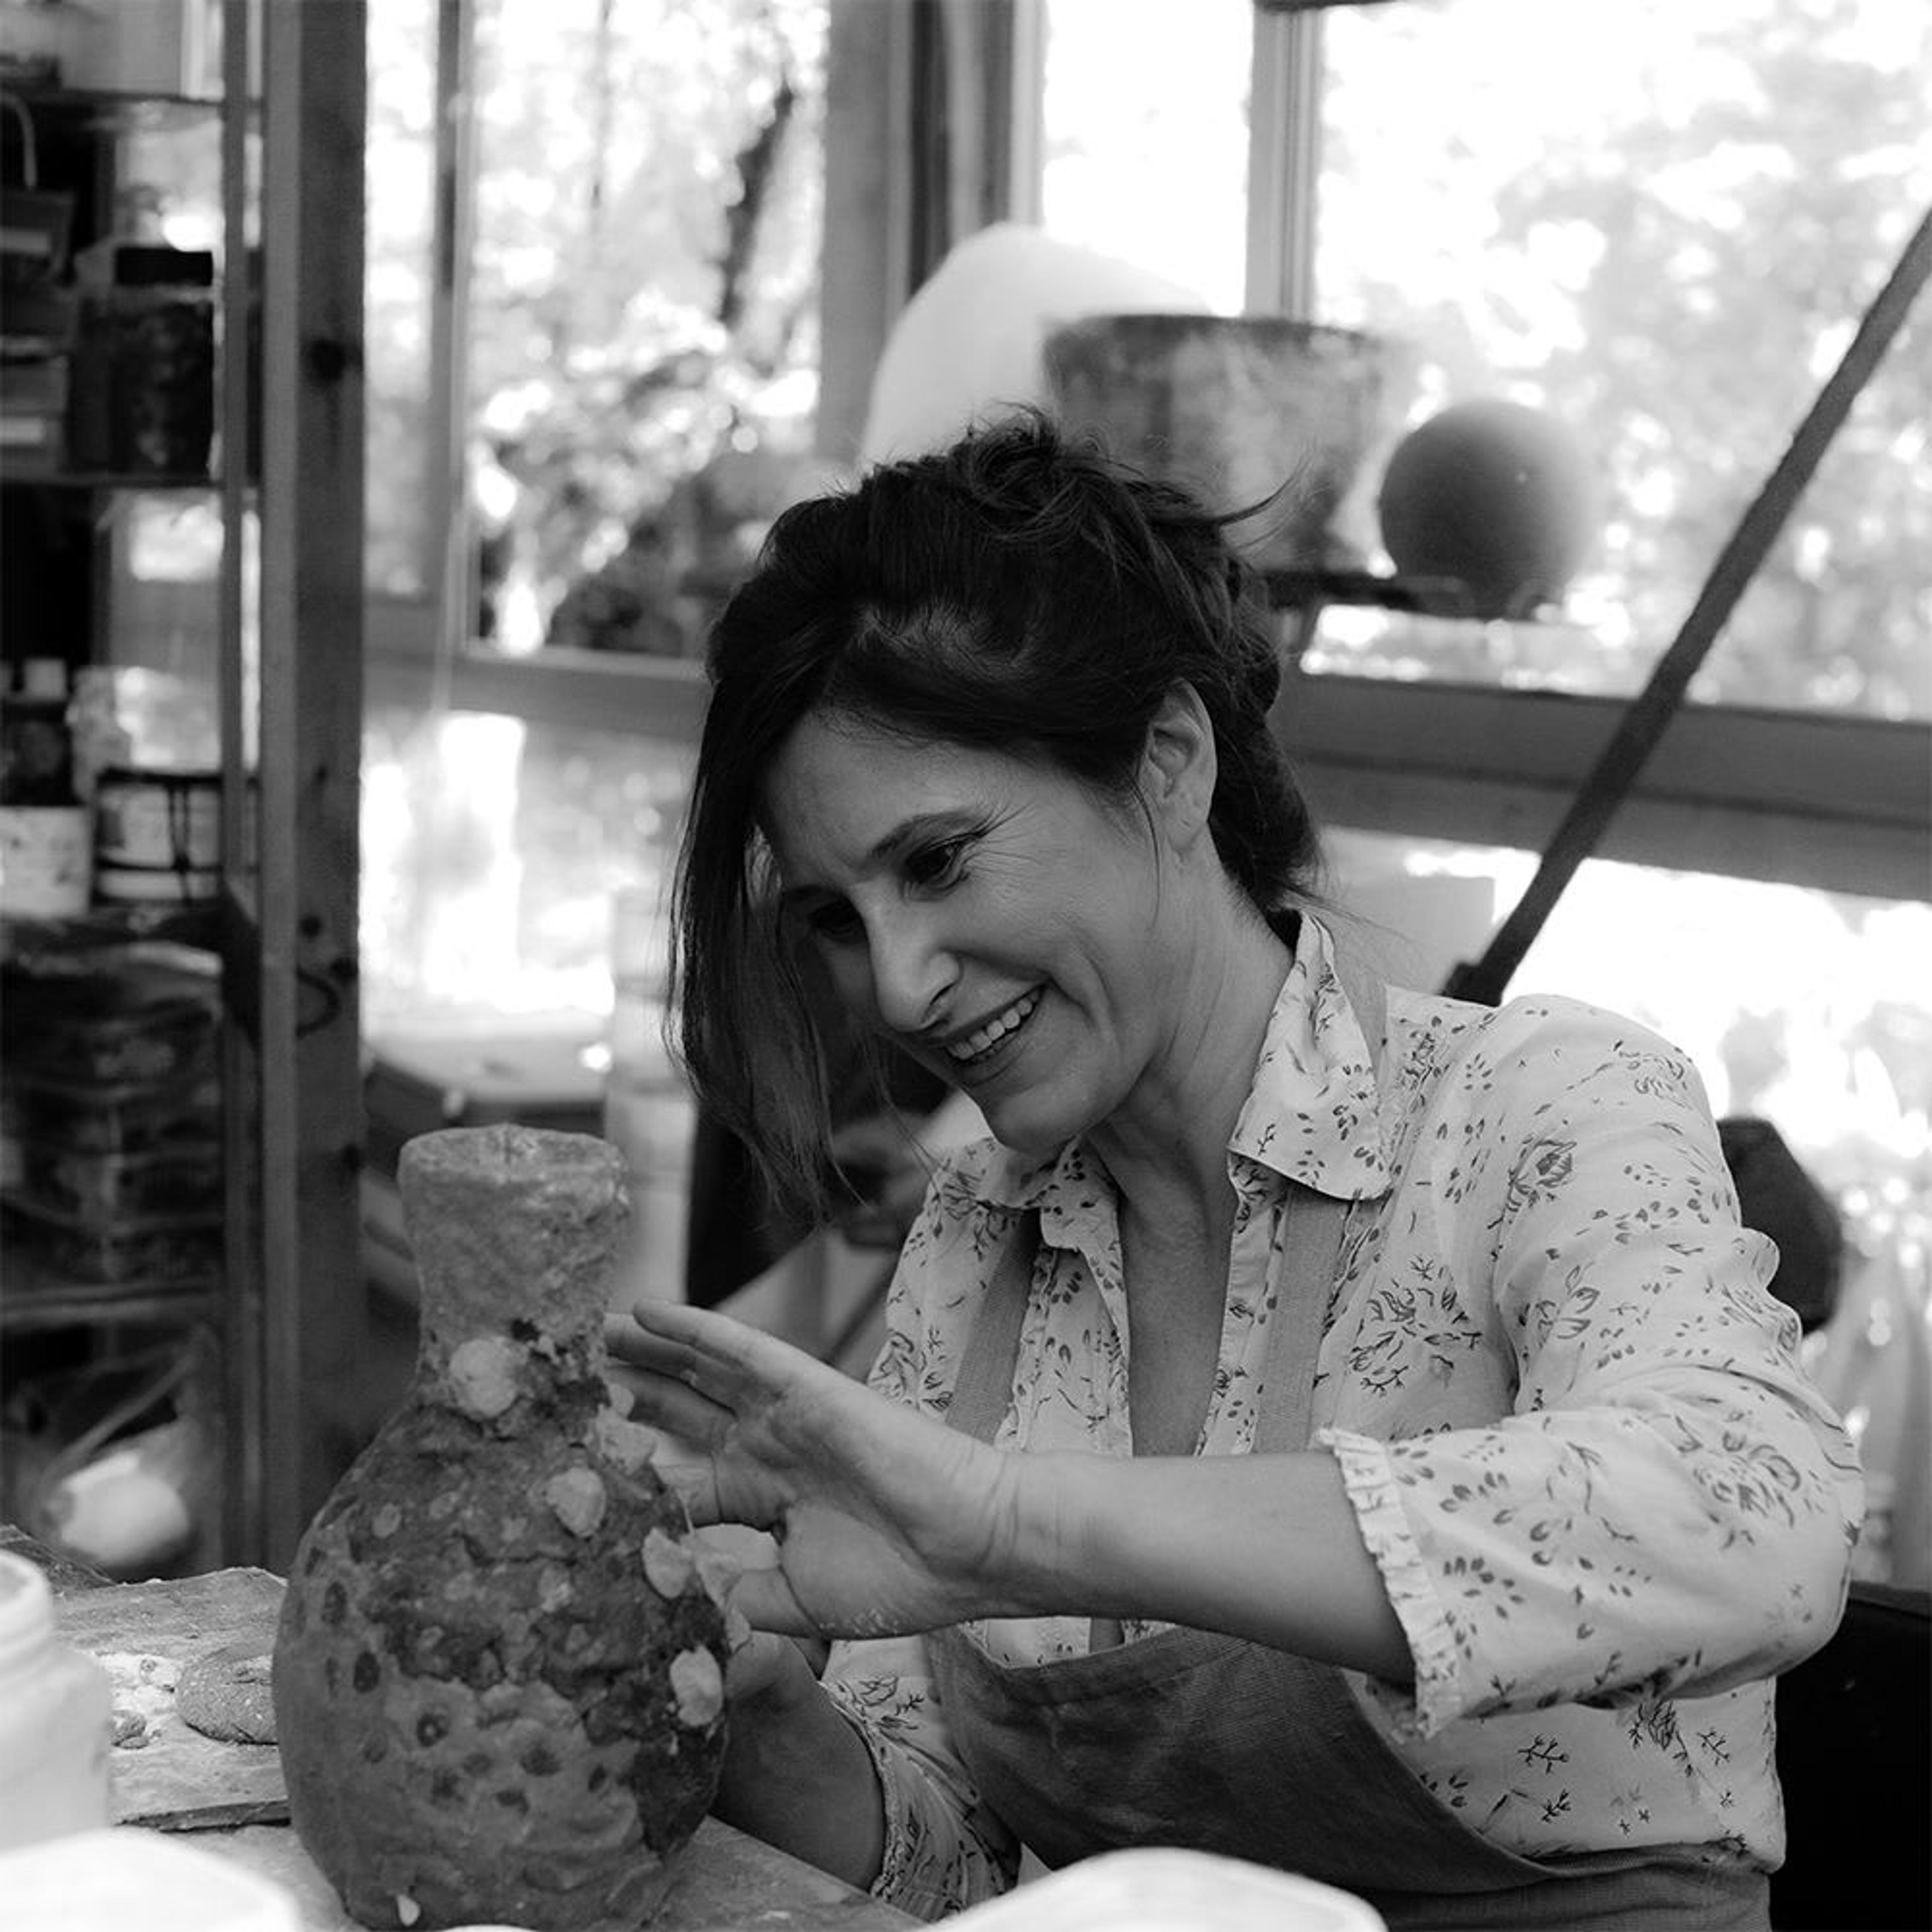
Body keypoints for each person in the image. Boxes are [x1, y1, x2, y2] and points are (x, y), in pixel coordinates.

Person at [605, 411, 1863, 1929]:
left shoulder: (1539, 1108)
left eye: (937, 861)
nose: (897, 985)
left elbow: (1760, 1521)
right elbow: (958, 1871)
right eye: (834, 916)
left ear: (1169, 763)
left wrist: (1007, 1525)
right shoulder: (978, 1241)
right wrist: (756, 1712)